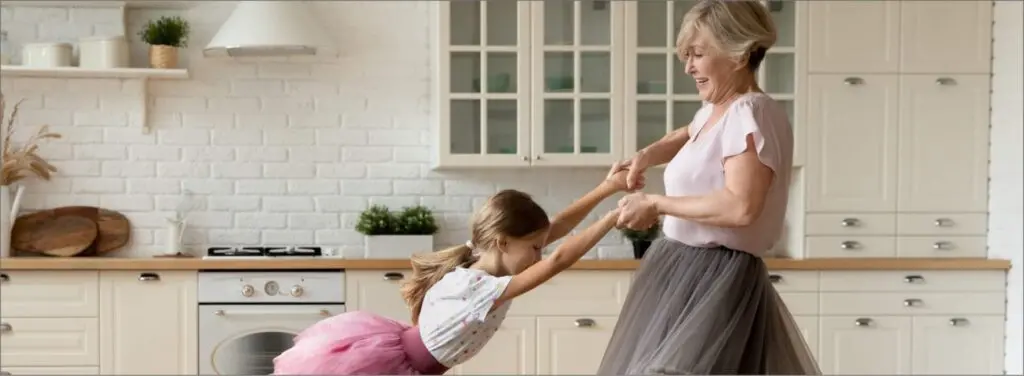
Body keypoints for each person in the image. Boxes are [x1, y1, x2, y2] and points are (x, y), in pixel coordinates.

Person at [596, 0, 821, 375]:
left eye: (698, 54)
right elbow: (688, 132)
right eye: (687, 55)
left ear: (739, 54)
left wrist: (655, 203)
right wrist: (647, 155)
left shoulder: (750, 113)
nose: (688, 67)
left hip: (712, 277)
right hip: (684, 271)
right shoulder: (720, 110)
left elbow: (740, 207)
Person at [273, 166, 637, 375]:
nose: (540, 256)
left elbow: (553, 227)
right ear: (503, 242)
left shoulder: (478, 263)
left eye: (540, 247)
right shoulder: (481, 286)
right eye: (534, 248)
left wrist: (606, 187)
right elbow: (559, 261)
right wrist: (611, 218)